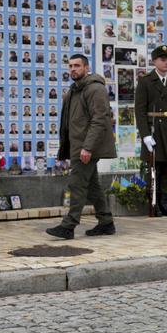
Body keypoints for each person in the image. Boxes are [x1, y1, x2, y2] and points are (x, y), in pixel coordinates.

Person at [46, 54, 117, 240]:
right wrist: (65, 149)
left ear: (86, 67)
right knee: (92, 186)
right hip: (78, 145)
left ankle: (68, 226)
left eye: (77, 66)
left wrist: (88, 148)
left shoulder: (95, 89)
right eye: (70, 66)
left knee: (76, 184)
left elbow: (100, 119)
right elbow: (69, 123)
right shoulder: (74, 90)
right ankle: (106, 222)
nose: (73, 69)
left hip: (86, 147)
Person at [134, 45, 167, 217]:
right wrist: (145, 135)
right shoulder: (146, 81)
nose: (166, 63)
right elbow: (139, 110)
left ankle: (164, 202)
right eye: (163, 59)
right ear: (154, 61)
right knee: (153, 168)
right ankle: (153, 202)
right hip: (153, 129)